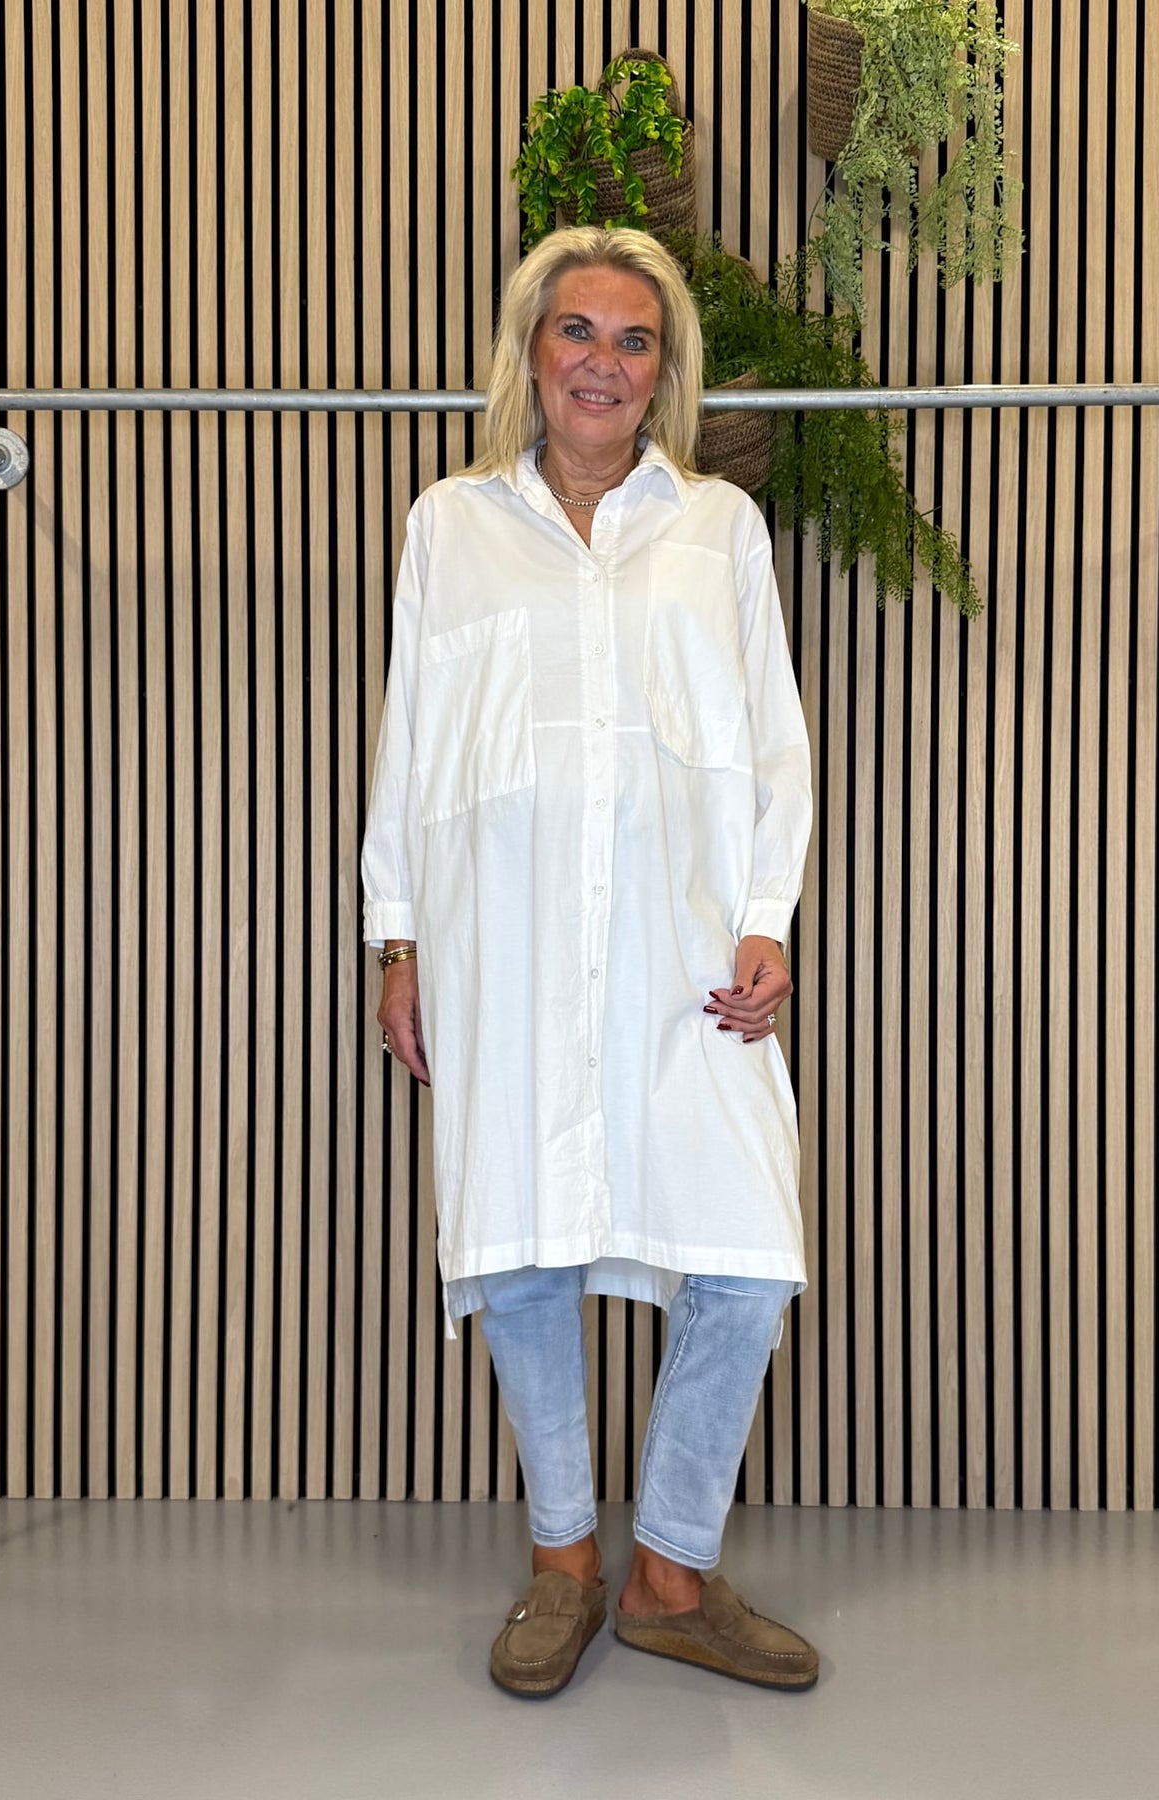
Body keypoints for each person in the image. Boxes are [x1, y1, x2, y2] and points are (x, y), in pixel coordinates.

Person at [360, 224, 817, 1697]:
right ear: (532, 352)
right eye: (579, 332)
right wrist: (399, 938)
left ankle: (672, 1568)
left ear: (663, 371)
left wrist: (766, 915)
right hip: (504, 938)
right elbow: (408, 750)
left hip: (683, 951)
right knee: (522, 1244)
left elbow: (774, 742)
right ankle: (563, 1563)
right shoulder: (450, 527)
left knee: (745, 1248)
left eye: (634, 341)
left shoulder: (717, 530)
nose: (604, 364)